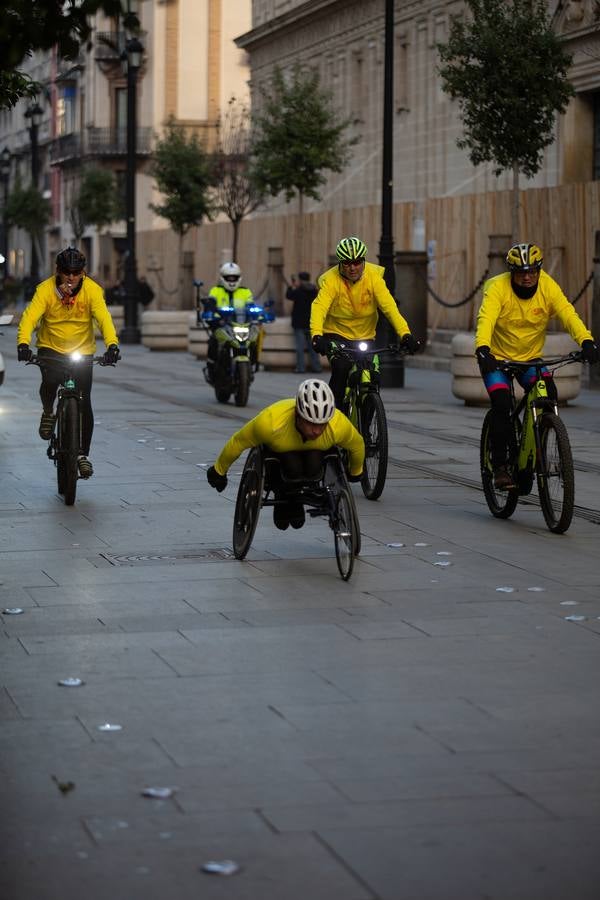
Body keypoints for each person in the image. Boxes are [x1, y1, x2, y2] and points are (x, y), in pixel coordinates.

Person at [475, 241, 599, 490]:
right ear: (512, 272)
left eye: (533, 271)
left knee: (549, 396)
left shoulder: (547, 286)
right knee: (501, 403)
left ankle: (537, 450)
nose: (528, 277)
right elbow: (486, 317)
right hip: (497, 358)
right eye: (521, 272)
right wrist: (482, 348)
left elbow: (567, 313)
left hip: (530, 358)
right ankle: (500, 466)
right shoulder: (498, 288)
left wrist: (586, 340)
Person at [16, 247, 120, 479]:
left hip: (81, 350)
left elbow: (104, 318)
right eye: (66, 272)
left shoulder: (93, 290)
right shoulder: (45, 290)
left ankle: (82, 455)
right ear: (58, 271)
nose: (71, 277)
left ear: (83, 272)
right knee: (50, 382)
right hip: (51, 348)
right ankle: (47, 411)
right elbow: (29, 318)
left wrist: (112, 345)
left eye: (76, 272)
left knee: (85, 401)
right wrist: (23, 343)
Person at [206, 379, 365, 530]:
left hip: (315, 459)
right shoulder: (270, 423)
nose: (316, 431)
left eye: (322, 424)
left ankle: (297, 500)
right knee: (292, 465)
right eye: (310, 423)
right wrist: (219, 470)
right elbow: (238, 441)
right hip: (279, 462)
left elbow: (357, 445)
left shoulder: (337, 424)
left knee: (313, 463)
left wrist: (355, 470)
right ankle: (284, 498)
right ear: (298, 414)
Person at [310, 236, 419, 406]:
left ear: (363, 261)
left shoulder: (373, 278)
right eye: (347, 263)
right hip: (337, 334)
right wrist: (317, 336)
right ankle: (333, 414)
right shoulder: (331, 281)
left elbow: (390, 308)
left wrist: (405, 334)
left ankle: (369, 421)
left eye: (357, 262)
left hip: (365, 336)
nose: (352, 268)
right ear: (340, 263)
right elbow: (319, 308)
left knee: (372, 376)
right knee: (341, 369)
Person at [205, 262, 254, 383]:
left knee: (254, 339)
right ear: (222, 278)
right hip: (222, 324)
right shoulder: (215, 291)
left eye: (234, 277)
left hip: (240, 324)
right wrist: (211, 313)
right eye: (228, 278)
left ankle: (253, 363)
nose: (231, 280)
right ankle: (211, 366)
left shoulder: (245, 292)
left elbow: (251, 306)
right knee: (214, 341)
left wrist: (258, 313)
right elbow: (210, 305)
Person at [286, 271, 322, 374]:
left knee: (300, 348)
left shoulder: (298, 290)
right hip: (311, 322)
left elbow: (288, 296)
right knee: (313, 347)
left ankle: (300, 368)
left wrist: (291, 286)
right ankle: (317, 367)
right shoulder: (314, 290)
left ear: (300, 279)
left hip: (299, 323)